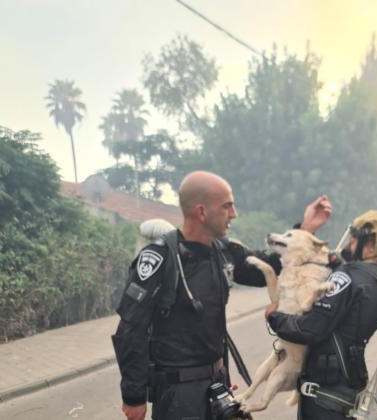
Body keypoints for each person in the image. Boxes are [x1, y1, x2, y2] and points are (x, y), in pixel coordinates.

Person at [112, 170, 332, 420]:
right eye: (227, 206)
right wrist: (133, 396)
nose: (234, 214)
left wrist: (305, 229)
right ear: (202, 212)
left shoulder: (225, 252)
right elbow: (130, 330)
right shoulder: (160, 258)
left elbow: (272, 264)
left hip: (217, 385)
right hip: (178, 396)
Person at [265, 210, 377, 420]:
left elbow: (309, 329)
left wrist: (274, 317)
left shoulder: (347, 277)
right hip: (349, 386)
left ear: (370, 244)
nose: (350, 245)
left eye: (353, 240)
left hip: (324, 393)